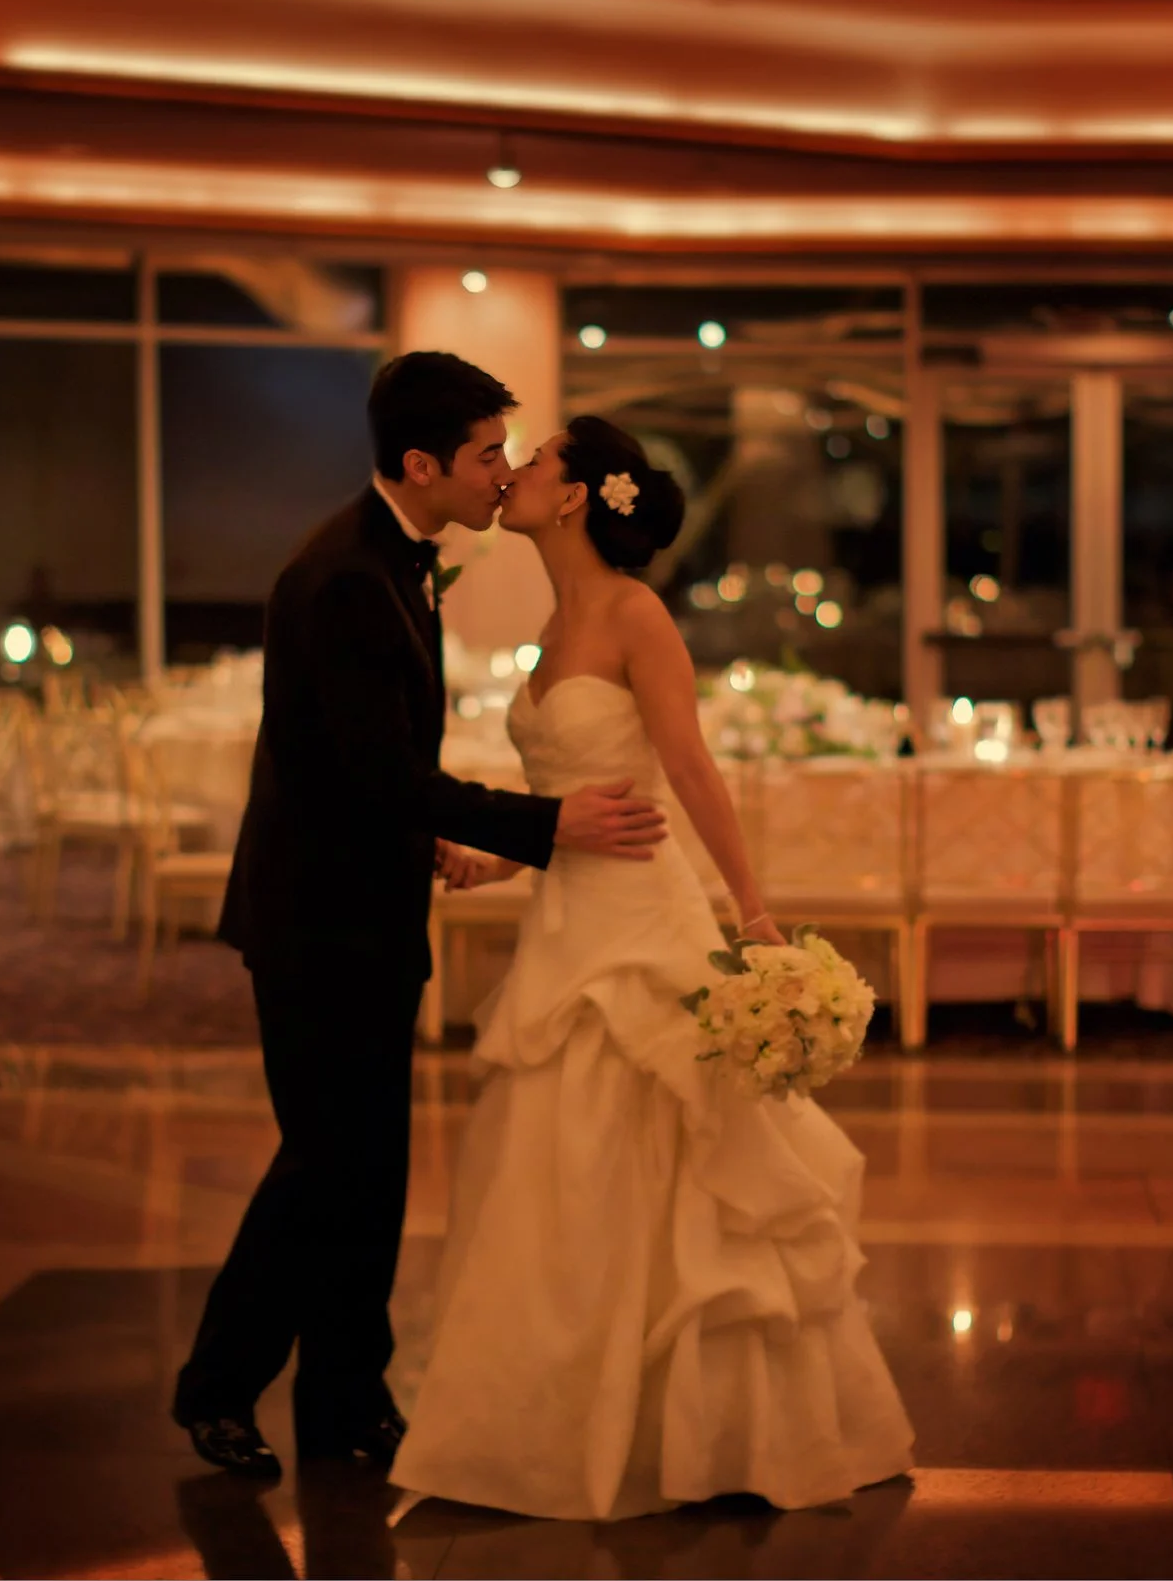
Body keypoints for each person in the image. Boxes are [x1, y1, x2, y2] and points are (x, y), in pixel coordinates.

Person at [390, 415, 914, 1520]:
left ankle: (708, 1431)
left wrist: (753, 911)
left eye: (533, 463)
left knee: (673, 1165)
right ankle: (550, 1417)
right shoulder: (548, 625)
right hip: (567, 931)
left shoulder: (634, 614)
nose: (517, 476)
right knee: (558, 1172)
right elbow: (589, 809)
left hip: (644, 933)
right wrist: (499, 858)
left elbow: (688, 772)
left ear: (578, 497)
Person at [170, 354, 670, 1480]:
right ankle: (215, 1385)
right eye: (489, 453)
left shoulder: (399, 559)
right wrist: (541, 828)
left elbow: (368, 770)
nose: (503, 473)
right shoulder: (344, 575)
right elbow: (378, 771)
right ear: (421, 464)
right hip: (315, 922)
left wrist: (436, 839)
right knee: (325, 1164)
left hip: (366, 903)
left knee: (372, 1168)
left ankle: (350, 1395)